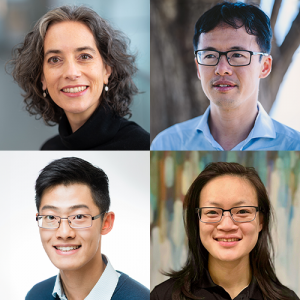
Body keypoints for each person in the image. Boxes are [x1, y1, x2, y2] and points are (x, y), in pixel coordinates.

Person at [151, 2, 300, 151]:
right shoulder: (167, 145)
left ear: (265, 66)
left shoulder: (293, 146)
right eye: (210, 55)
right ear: (198, 67)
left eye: (237, 55)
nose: (222, 69)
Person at [150, 162, 299, 300]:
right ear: (197, 221)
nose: (227, 225)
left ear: (260, 221)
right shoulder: (163, 296)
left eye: (242, 211)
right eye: (212, 212)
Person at [9, 5, 149, 150]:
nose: (71, 72)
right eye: (55, 59)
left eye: (84, 56)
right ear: (42, 78)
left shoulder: (141, 144)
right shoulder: (49, 148)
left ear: (107, 70)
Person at [26, 157, 149, 300]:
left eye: (78, 216)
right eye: (51, 217)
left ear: (106, 222)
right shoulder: (36, 295)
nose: (64, 233)